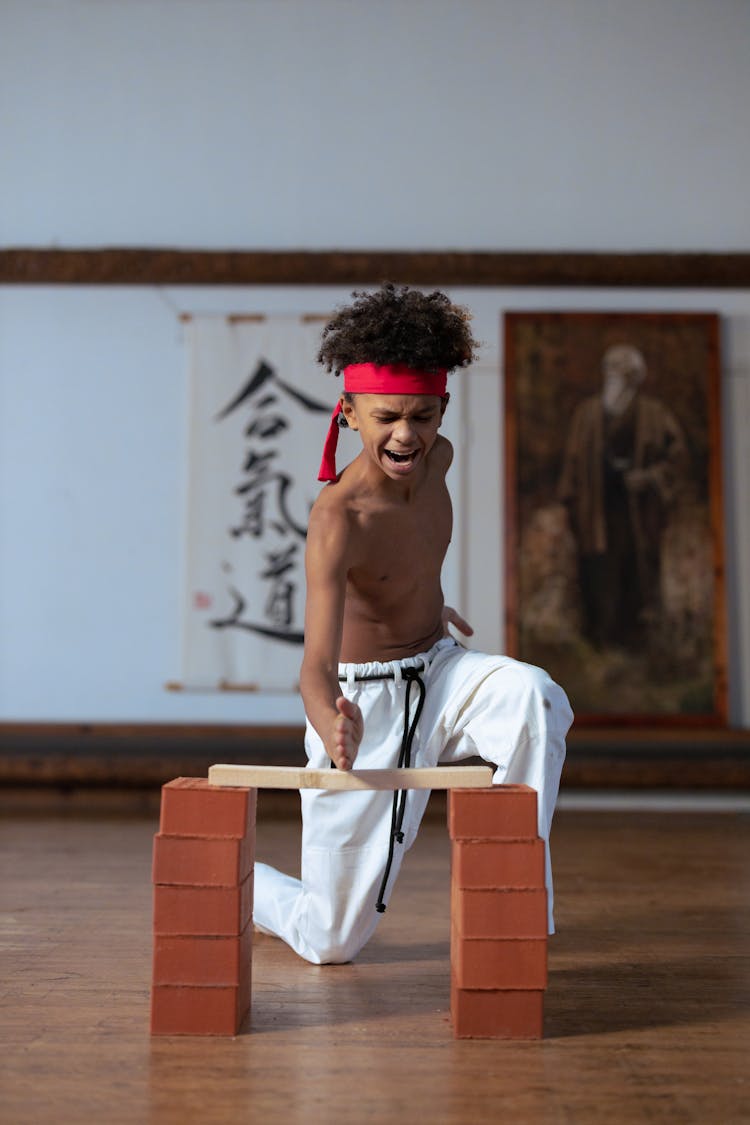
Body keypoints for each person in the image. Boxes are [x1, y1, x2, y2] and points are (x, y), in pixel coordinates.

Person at [253, 284, 573, 964]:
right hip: (364, 701)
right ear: (349, 414)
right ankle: (250, 889)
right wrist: (329, 720)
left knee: (534, 696)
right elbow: (312, 667)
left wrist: (428, 602)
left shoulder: (441, 459)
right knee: (331, 940)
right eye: (387, 416)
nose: (406, 434)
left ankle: (513, 899)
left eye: (422, 416)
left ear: (441, 412)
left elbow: (414, 555)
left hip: (441, 666)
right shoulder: (337, 520)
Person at [558, 343, 687, 649]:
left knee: (636, 570)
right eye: (611, 371)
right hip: (595, 510)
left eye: (624, 373)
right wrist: (570, 504)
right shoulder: (587, 414)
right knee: (596, 572)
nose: (615, 378)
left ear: (635, 378)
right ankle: (597, 641)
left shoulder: (655, 414)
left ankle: (636, 642)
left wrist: (649, 478)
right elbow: (572, 466)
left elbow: (678, 461)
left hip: (639, 513)